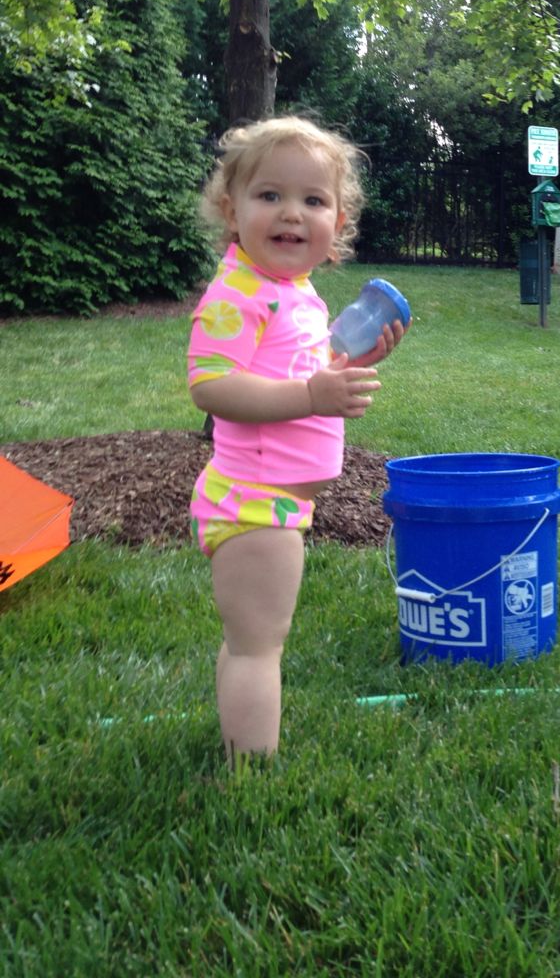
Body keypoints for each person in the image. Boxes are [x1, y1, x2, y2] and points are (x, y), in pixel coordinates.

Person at [187, 117, 407, 766]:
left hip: (271, 499)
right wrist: (312, 398)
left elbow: (293, 369)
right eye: (270, 195)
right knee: (259, 647)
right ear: (232, 211)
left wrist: (344, 366)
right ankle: (252, 774)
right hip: (254, 500)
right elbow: (212, 385)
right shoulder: (236, 294)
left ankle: (240, 747)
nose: (292, 213)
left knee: (250, 640)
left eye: (313, 200)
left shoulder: (290, 289)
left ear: (338, 223)